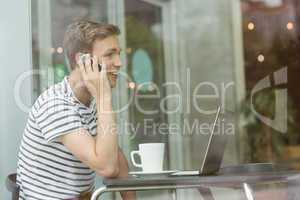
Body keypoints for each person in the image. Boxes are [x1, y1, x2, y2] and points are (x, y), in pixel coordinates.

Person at [16, 20, 136, 200]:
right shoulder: (55, 104)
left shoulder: (89, 103)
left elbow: (116, 159)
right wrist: (104, 98)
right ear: (83, 60)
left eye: (118, 54)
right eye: (110, 55)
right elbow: (107, 167)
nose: (119, 63)